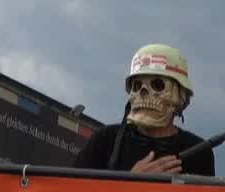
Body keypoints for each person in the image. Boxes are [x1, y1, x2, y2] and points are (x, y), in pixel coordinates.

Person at [73, 44, 216, 176]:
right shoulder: (105, 141)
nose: (143, 91)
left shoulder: (197, 152)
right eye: (137, 85)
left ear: (180, 97)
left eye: (158, 85)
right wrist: (132, 183)